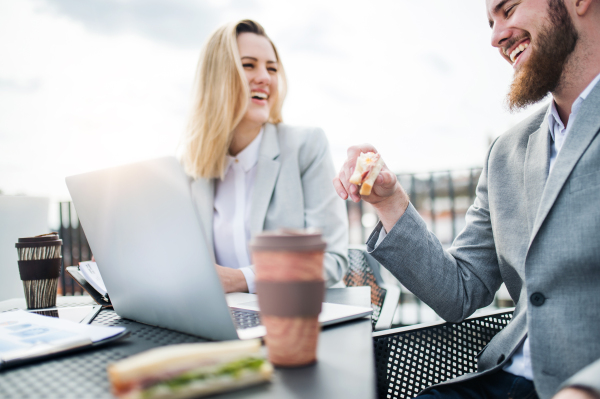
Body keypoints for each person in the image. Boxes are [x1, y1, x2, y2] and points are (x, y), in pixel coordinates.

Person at [333, 0, 600, 398]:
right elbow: (459, 292)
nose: (495, 37)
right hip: (503, 379)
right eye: (490, 22)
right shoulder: (507, 153)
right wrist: (389, 201)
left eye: (508, 10)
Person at [181, 20, 348, 294]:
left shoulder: (306, 146)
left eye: (272, 68)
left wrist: (242, 279)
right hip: (224, 324)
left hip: (300, 321)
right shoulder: (190, 170)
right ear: (216, 77)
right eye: (249, 65)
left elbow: (331, 259)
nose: (266, 78)